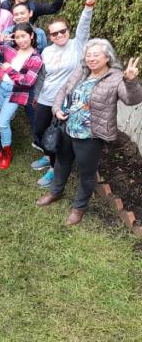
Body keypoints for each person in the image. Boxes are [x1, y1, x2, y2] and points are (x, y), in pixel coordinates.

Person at [37, 41, 142, 226]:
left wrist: (131, 81)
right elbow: (63, 90)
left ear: (107, 57)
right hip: (68, 127)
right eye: (88, 55)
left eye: (96, 55)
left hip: (90, 134)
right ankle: (55, 192)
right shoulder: (81, 71)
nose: (91, 58)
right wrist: (56, 109)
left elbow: (131, 99)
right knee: (62, 162)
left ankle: (79, 208)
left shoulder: (116, 77)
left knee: (87, 173)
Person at [31, 0, 95, 187]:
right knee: (40, 131)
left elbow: (84, 26)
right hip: (46, 98)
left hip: (66, 101)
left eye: (62, 31)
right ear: (49, 36)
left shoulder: (77, 45)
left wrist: (89, 5)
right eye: (54, 33)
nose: (59, 35)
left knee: (59, 136)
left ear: (68, 31)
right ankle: (48, 157)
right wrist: (36, 95)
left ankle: (53, 168)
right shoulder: (47, 52)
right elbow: (42, 76)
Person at [0, 23, 43, 170]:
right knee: (2, 118)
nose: (21, 40)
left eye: (24, 36)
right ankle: (3, 147)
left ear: (32, 36)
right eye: (17, 37)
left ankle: (6, 153)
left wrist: (10, 70)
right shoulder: (10, 49)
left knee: (2, 123)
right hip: (1, 88)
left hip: (15, 92)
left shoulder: (35, 58)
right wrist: (0, 39)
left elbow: (28, 81)